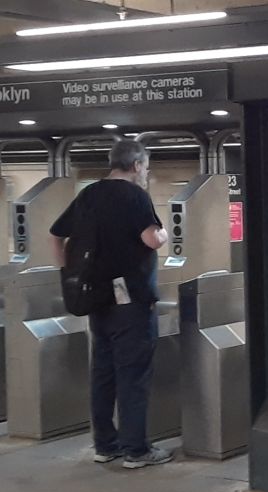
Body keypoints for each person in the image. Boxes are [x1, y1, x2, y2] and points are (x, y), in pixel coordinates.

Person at [50, 140, 173, 469]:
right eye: (146, 167)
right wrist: (164, 236)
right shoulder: (135, 196)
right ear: (135, 166)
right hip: (130, 299)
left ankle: (105, 445)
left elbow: (56, 235)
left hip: (97, 297)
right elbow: (151, 238)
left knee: (103, 373)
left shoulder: (89, 194)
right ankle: (136, 450)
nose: (146, 173)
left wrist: (68, 274)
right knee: (133, 375)